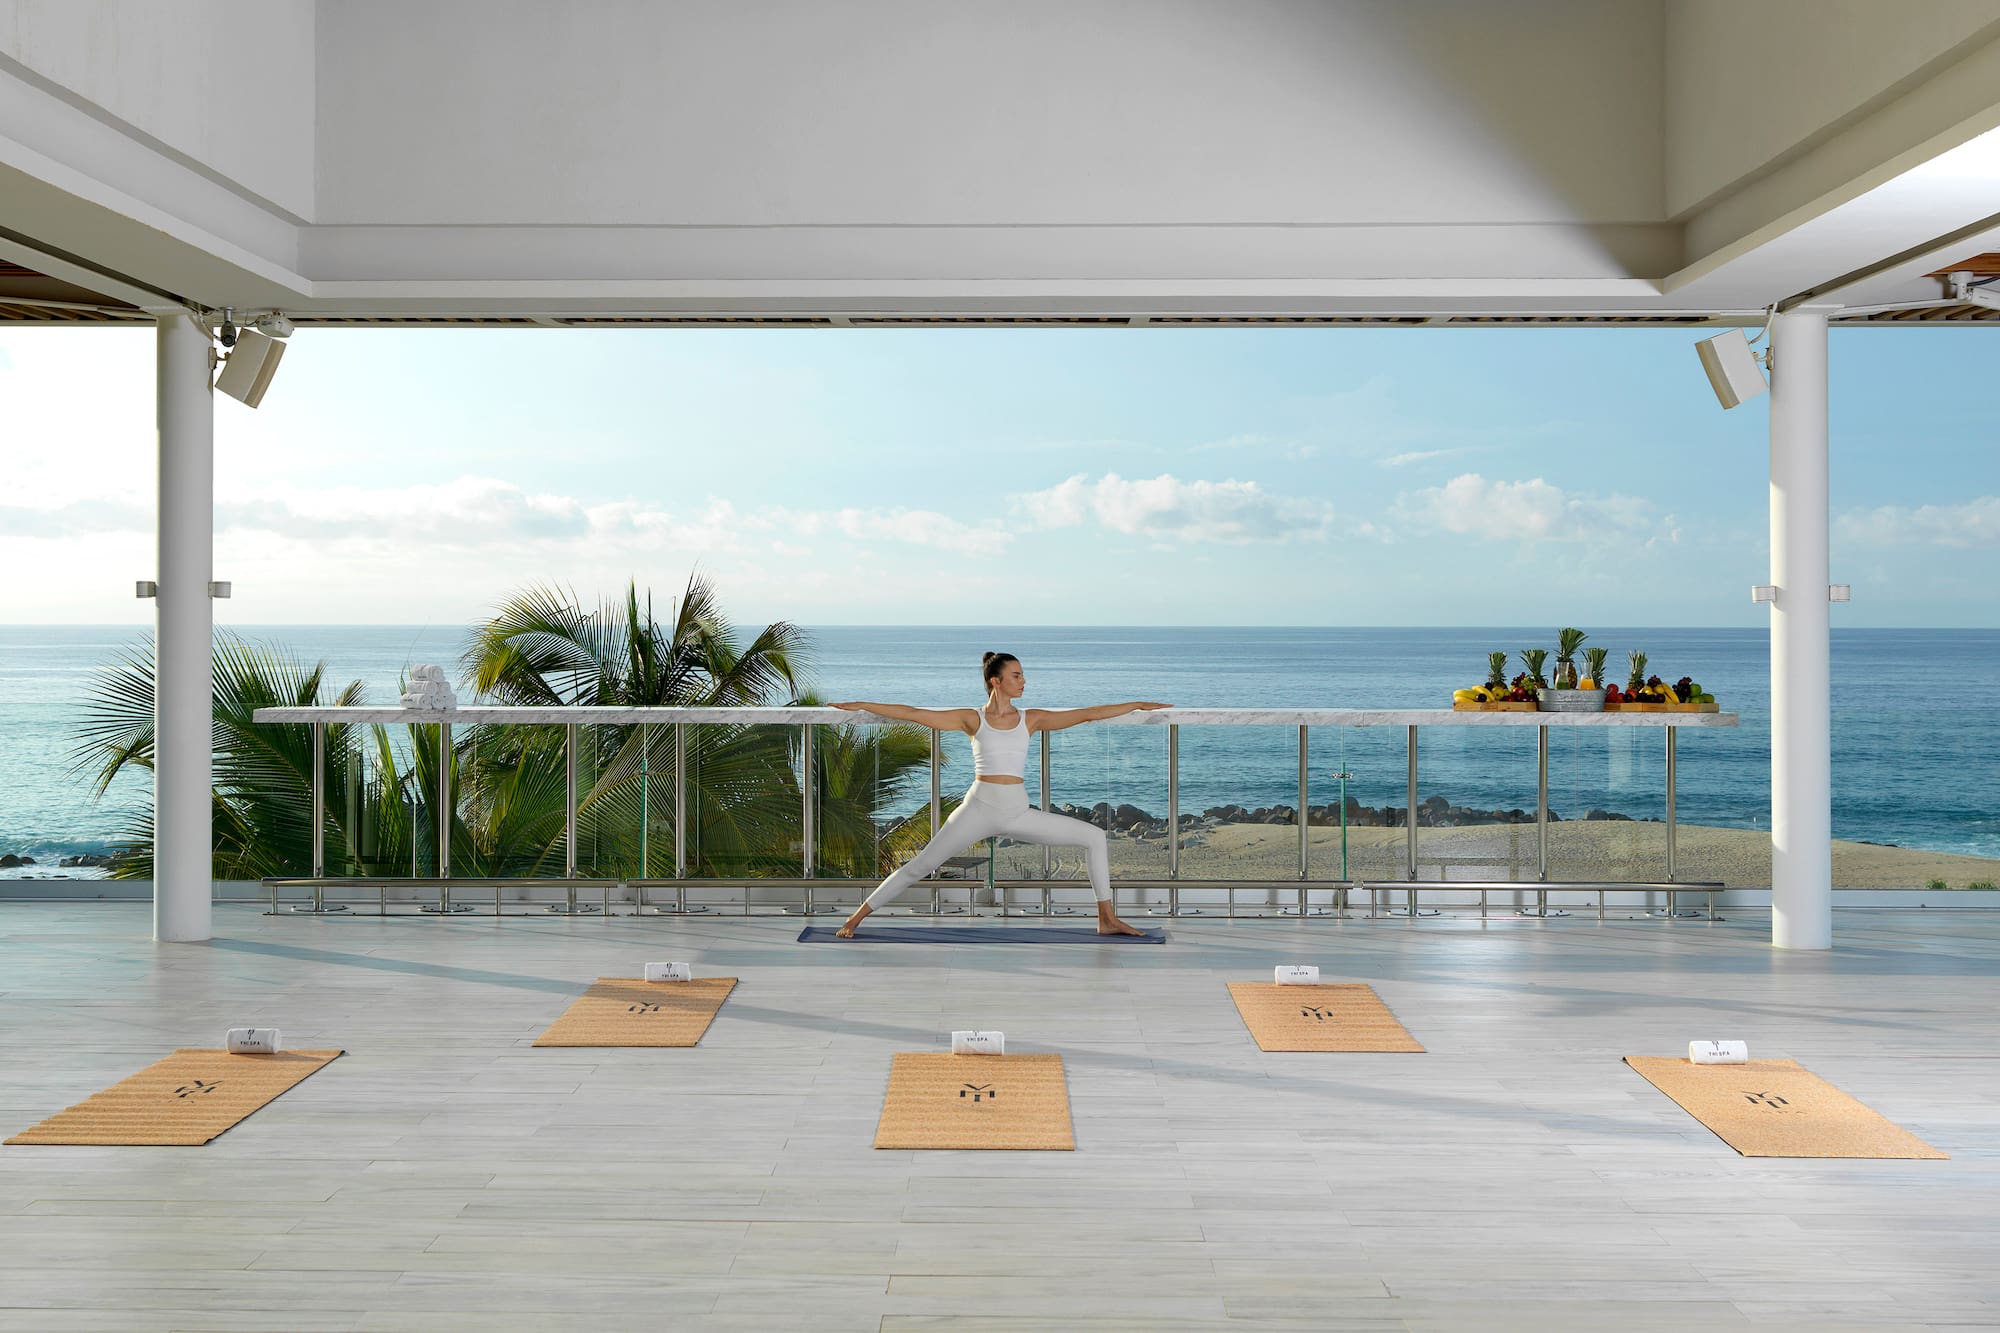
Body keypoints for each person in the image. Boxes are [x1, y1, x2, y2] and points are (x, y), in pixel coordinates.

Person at [830, 651, 1170, 937]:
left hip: (1018, 812)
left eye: (1023, 676)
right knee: (920, 865)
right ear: (996, 680)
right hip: (978, 809)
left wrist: (1136, 704)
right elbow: (915, 714)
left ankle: (1106, 919)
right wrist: (861, 705)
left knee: (1095, 836)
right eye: (1017, 675)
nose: (1024, 681)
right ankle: (854, 918)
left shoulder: (1031, 718)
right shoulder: (972, 718)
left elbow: (1088, 713)